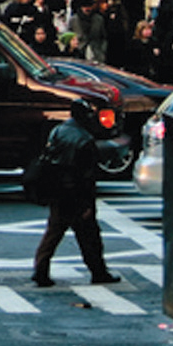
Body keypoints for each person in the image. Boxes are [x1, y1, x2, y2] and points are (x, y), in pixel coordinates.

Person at [31, 99, 120, 287]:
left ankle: (40, 270)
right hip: (76, 195)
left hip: (58, 191)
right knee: (90, 237)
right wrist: (86, 204)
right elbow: (85, 177)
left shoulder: (58, 131)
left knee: (53, 234)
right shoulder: (84, 140)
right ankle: (98, 272)